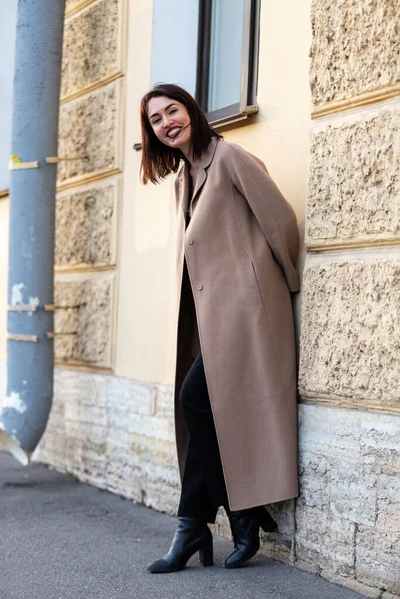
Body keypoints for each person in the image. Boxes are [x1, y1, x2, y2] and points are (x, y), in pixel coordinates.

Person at [140, 83, 300, 573]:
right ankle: (226, 518)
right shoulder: (183, 180)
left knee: (193, 398)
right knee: (198, 404)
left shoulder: (228, 157)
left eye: (173, 110)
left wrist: (282, 290)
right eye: (156, 120)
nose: (168, 122)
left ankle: (213, 522)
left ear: (191, 110)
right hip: (213, 315)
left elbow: (280, 220)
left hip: (246, 311)